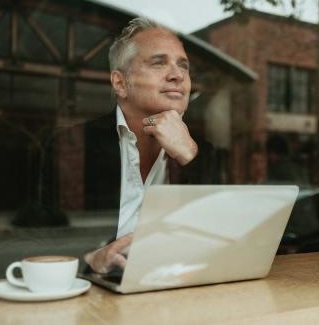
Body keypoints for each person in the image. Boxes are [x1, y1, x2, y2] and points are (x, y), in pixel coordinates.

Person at [83, 18, 219, 274]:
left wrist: (189, 156)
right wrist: (91, 259)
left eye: (184, 66)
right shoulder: (78, 145)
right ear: (120, 83)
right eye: (158, 63)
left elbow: (220, 240)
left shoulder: (201, 153)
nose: (177, 75)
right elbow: (34, 249)